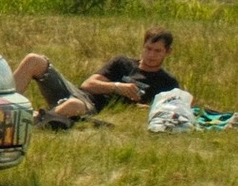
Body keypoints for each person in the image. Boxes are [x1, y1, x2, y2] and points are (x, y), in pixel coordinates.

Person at [18, 27, 183, 126]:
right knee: (34, 60)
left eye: (157, 51)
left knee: (73, 105)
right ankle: (1, 106)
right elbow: (89, 84)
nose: (151, 55)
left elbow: (166, 111)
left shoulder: (166, 82)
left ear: (168, 52)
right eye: (148, 48)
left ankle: (32, 123)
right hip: (79, 93)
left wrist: (139, 107)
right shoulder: (123, 63)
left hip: (91, 106)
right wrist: (117, 87)